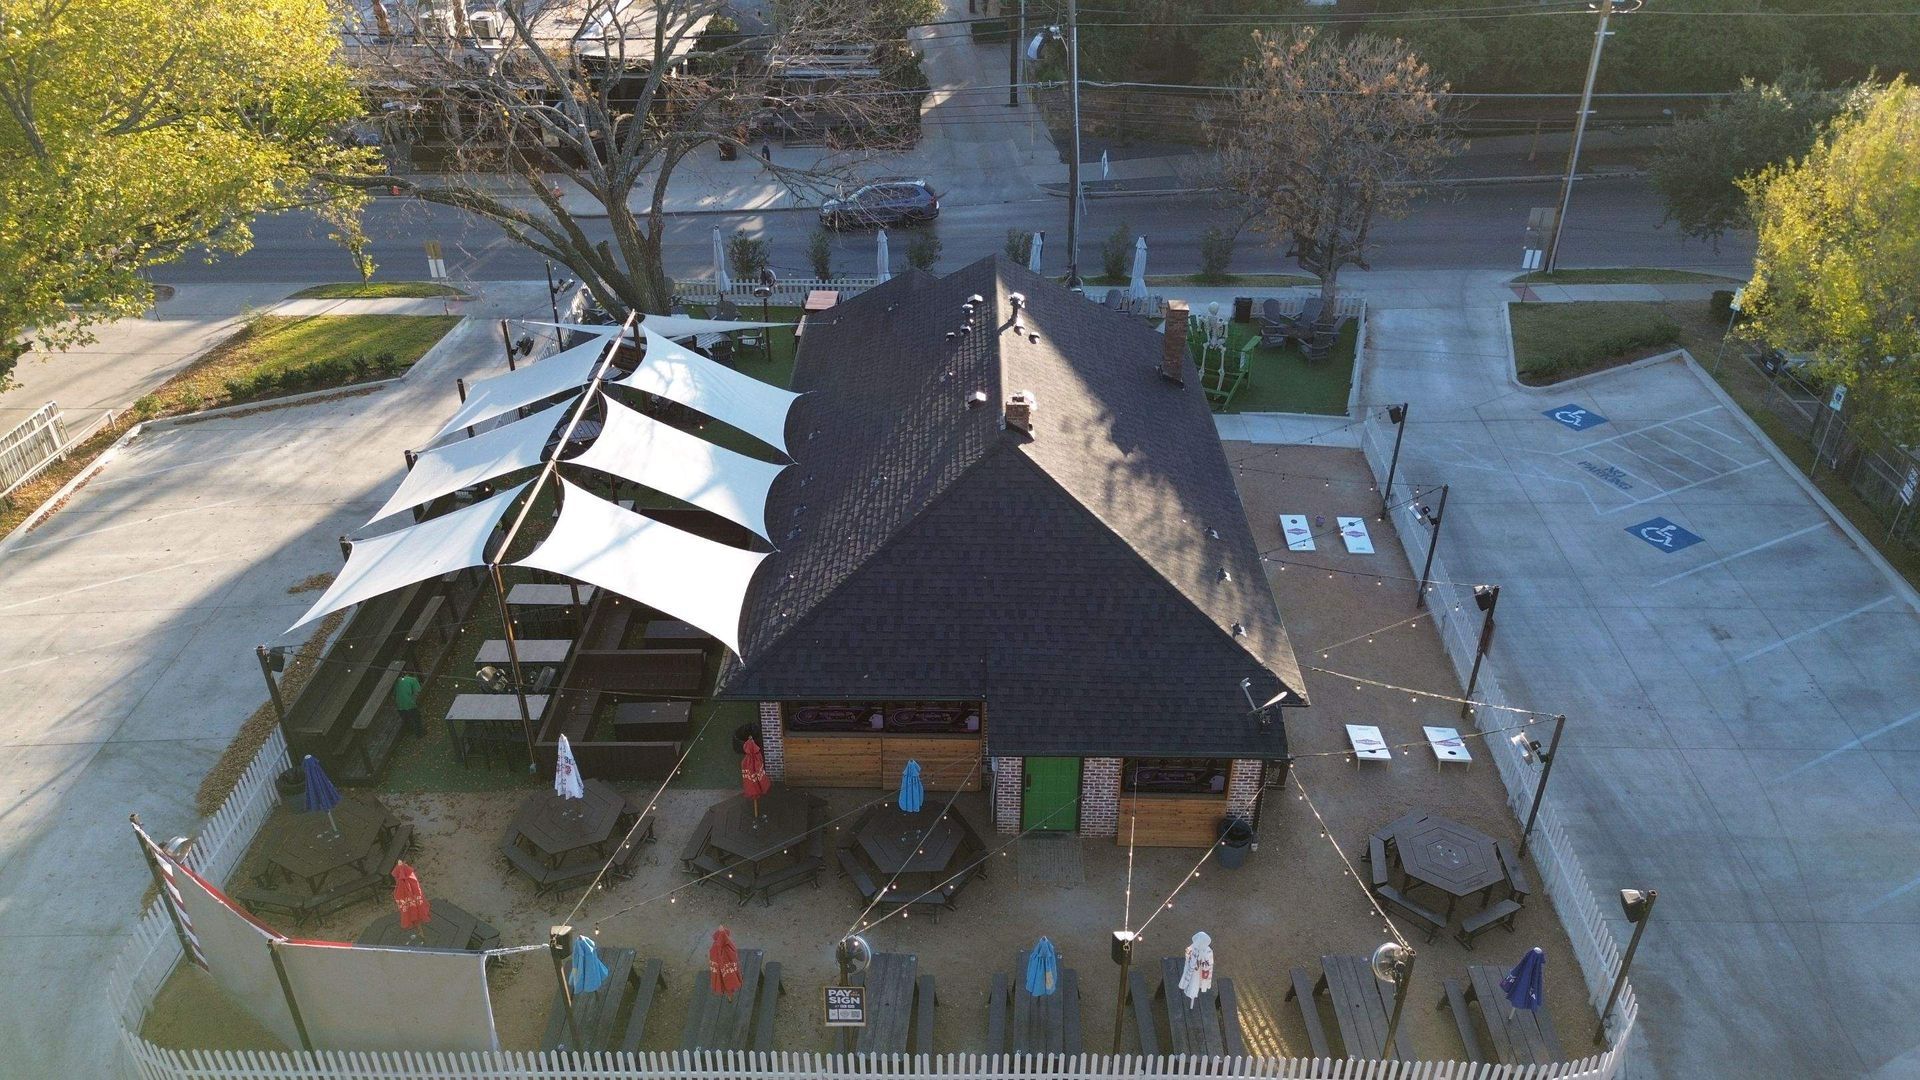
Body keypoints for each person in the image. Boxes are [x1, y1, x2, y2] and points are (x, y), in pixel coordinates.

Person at [394, 671, 423, 736]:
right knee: (416, 719)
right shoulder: (413, 680)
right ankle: (419, 734)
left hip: (400, 706)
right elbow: (418, 691)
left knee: (406, 720)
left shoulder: (398, 680)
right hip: (410, 704)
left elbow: (394, 693)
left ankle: (410, 732)